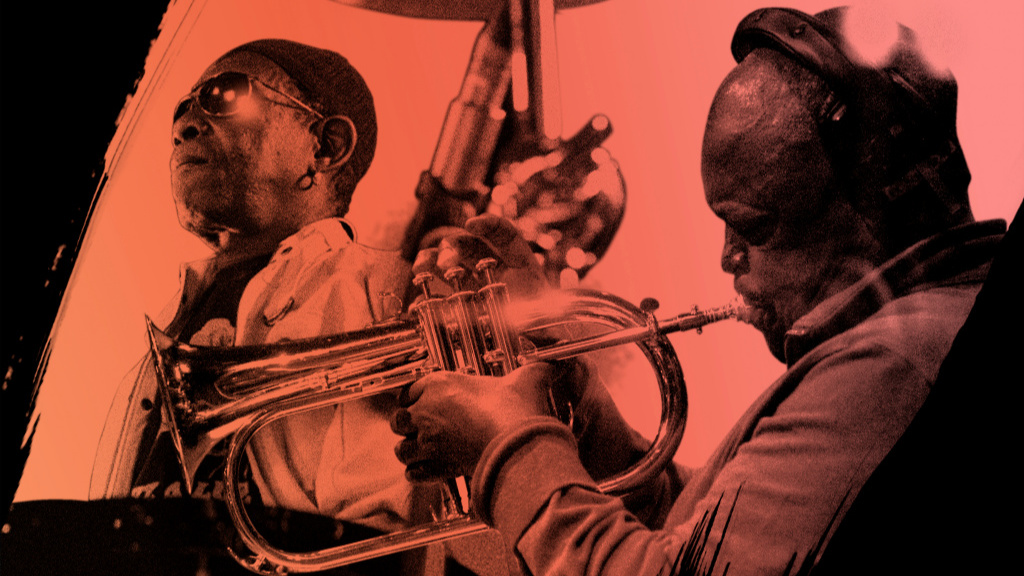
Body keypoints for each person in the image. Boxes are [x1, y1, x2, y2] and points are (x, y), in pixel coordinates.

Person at [391, 7, 1011, 575]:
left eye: (751, 226)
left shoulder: (895, 364)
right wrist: (571, 399)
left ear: (879, 203)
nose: (726, 258)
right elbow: (697, 536)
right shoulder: (905, 336)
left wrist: (508, 447)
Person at [86, 39, 522, 575]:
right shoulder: (159, 345)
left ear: (325, 146)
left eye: (223, 96)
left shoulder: (386, 288)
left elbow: (382, 542)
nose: (185, 125)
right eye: (181, 110)